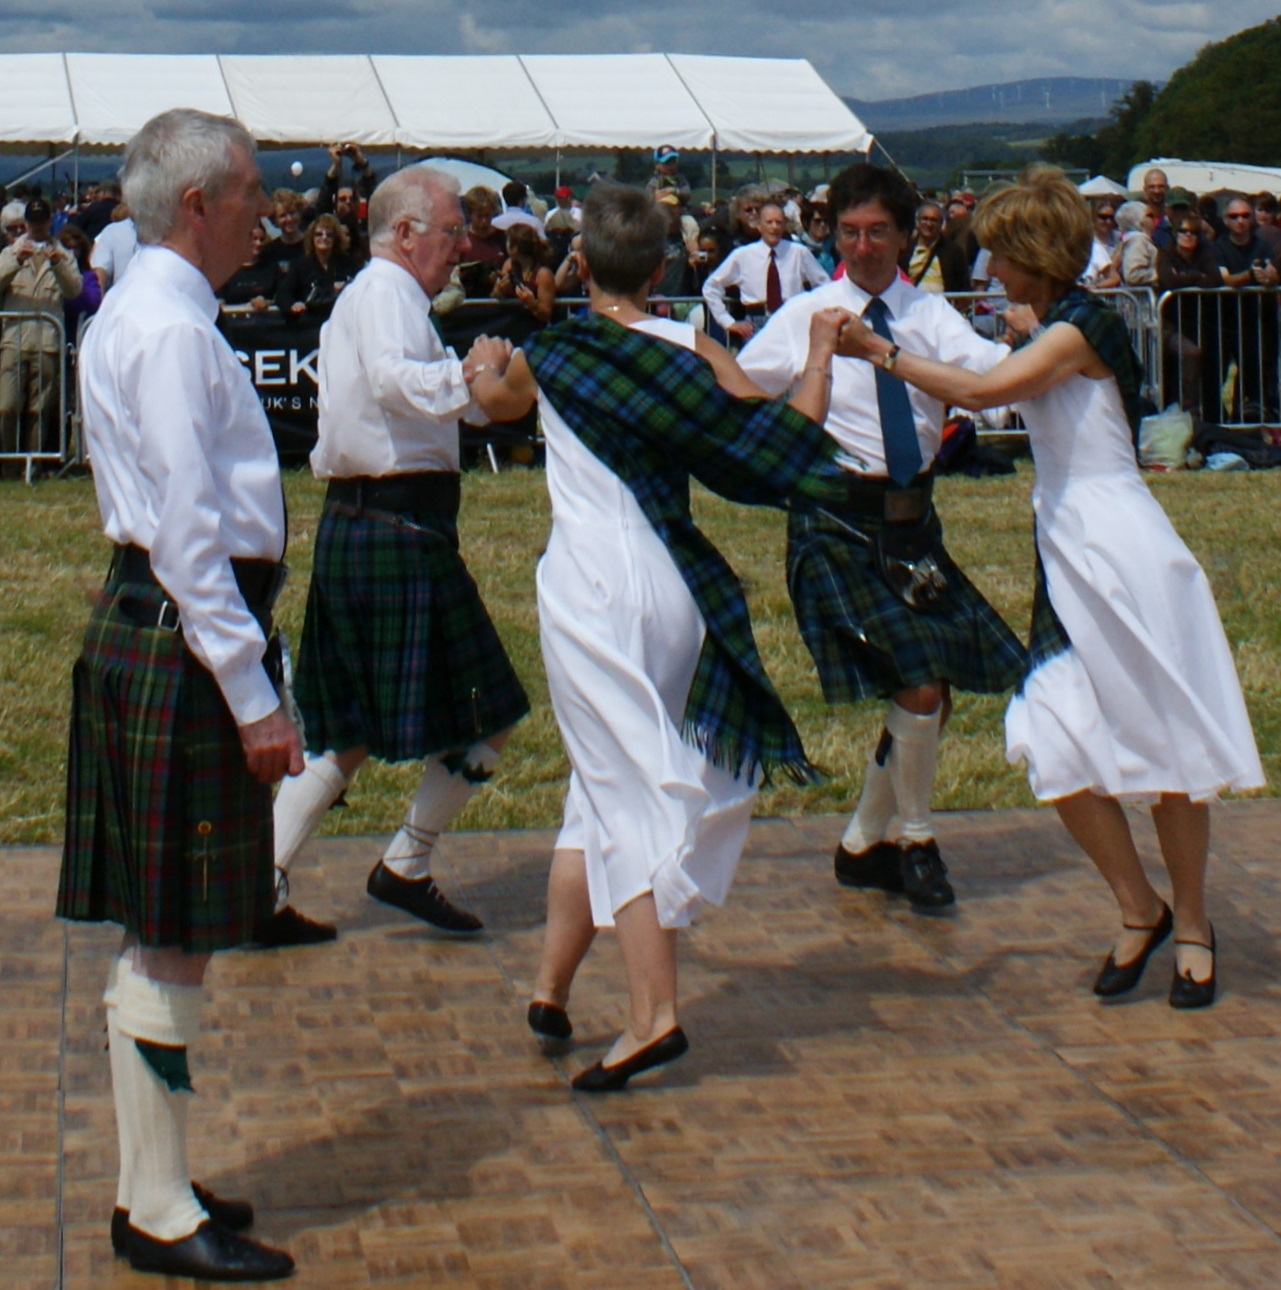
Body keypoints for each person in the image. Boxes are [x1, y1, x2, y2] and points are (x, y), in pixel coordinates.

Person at [837, 165, 1264, 1006]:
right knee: (1055, 740)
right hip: (1067, 544)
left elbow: (987, 390)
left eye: (1000, 257)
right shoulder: (1057, 323)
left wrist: (883, 352)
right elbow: (1013, 366)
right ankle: (1137, 906)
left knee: (1166, 740)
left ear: (1034, 254)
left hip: (1119, 547)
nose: (989, 273)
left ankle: (1191, 923)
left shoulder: (1082, 327)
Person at [466, 183, 853, 1091]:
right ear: (665, 265)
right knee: (593, 792)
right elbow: (778, 441)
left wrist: (486, 358)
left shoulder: (551, 354)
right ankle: (551, 989)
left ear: (580, 262)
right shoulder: (694, 347)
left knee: (621, 790)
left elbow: (493, 406)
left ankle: (652, 1016)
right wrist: (822, 355)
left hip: (591, 586)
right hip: (673, 590)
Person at [57, 107, 301, 1280]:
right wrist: (256, 696)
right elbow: (191, 544)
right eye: (252, 191)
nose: (269, 211)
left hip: (166, 637)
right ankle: (154, 1208)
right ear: (196, 204)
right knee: (173, 936)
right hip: (186, 641)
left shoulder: (156, 318)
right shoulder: (167, 334)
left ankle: (151, 1181)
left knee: (165, 930)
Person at [739, 162, 1027, 911]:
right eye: (847, 233)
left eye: (876, 233)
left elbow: (989, 374)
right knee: (921, 684)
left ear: (905, 236)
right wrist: (812, 363)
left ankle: (863, 844)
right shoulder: (809, 314)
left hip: (911, 523)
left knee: (928, 694)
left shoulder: (927, 317)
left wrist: (1047, 339)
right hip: (836, 520)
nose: (861, 247)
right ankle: (917, 839)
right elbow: (738, 389)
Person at [264, 166, 531, 947]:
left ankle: (263, 879)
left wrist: (472, 385)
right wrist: (473, 372)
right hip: (396, 530)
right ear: (406, 233)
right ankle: (406, 862)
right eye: (452, 233)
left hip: (367, 527)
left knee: (340, 729)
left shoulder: (387, 297)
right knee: (494, 709)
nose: (463, 248)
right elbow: (392, 382)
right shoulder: (383, 293)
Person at [0, 196, 83, 463]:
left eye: (41, 222)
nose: (36, 228)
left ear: (49, 222)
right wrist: (15, 261)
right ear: (26, 223)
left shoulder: (63, 254)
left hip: (47, 341)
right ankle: (9, 461)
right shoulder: (9, 253)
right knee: (7, 406)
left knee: (40, 408)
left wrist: (58, 264)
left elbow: (75, 290)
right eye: (32, 222)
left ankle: (32, 463)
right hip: (14, 339)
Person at [702, 200, 829, 343]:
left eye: (778, 222)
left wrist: (812, 312)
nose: (774, 227)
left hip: (792, 319)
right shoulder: (742, 255)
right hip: (756, 322)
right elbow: (711, 286)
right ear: (759, 226)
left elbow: (824, 284)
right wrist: (727, 321)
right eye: (769, 222)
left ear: (784, 226)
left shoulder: (799, 252)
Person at [275, 213, 355, 319]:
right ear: (311, 238)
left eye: (329, 235)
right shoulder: (300, 265)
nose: (324, 238)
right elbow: (283, 294)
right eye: (318, 234)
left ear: (336, 238)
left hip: (341, 321)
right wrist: (294, 306)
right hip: (310, 324)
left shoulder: (348, 264)